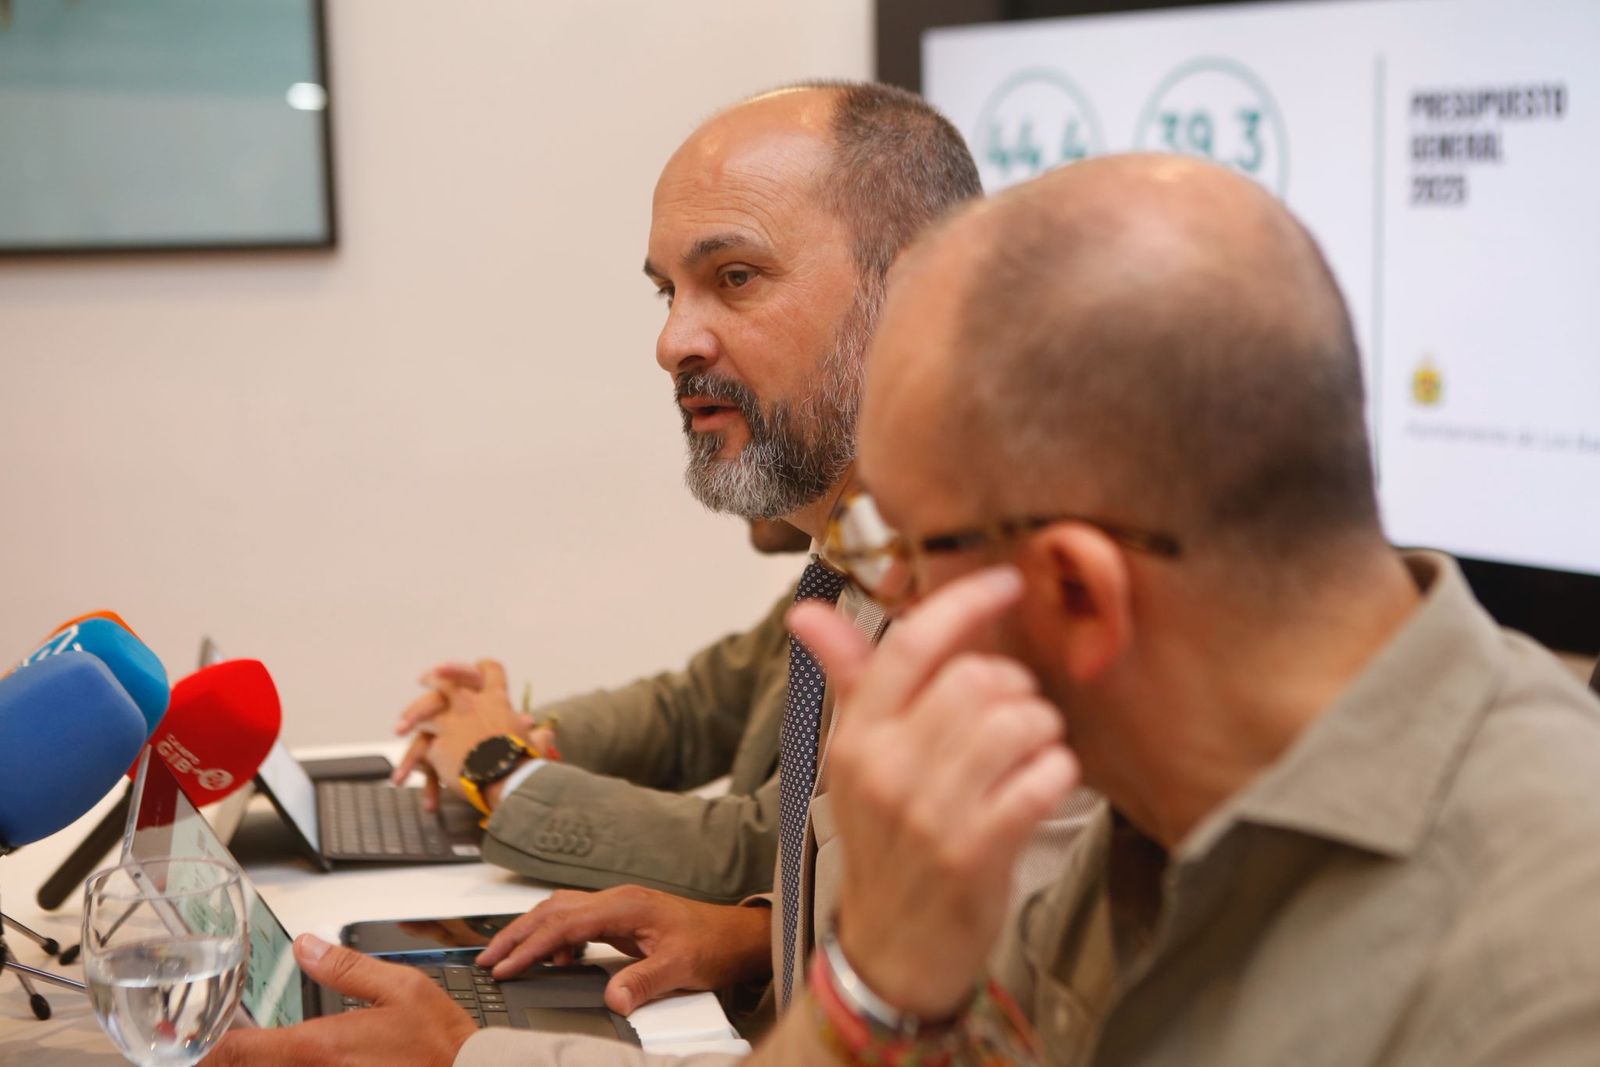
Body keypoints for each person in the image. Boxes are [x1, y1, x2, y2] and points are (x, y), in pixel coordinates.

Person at [744, 153, 1600, 1065]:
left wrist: (870, 986)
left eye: (903, 547)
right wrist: (890, 974)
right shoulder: (1164, 807)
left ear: (1077, 593)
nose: (890, 594)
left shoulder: (1542, 976)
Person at [206, 80, 993, 1067]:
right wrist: (758, 931)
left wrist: (464, 1056)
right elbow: (703, 704)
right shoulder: (857, 554)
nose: (672, 343)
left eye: (736, 277)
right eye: (669, 292)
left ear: (920, 293)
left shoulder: (985, 619)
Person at [392, 519, 805, 905]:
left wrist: (500, 770)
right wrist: (502, 732)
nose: (696, 463)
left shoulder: (846, 605)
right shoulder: (825, 578)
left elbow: (775, 853)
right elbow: (686, 712)